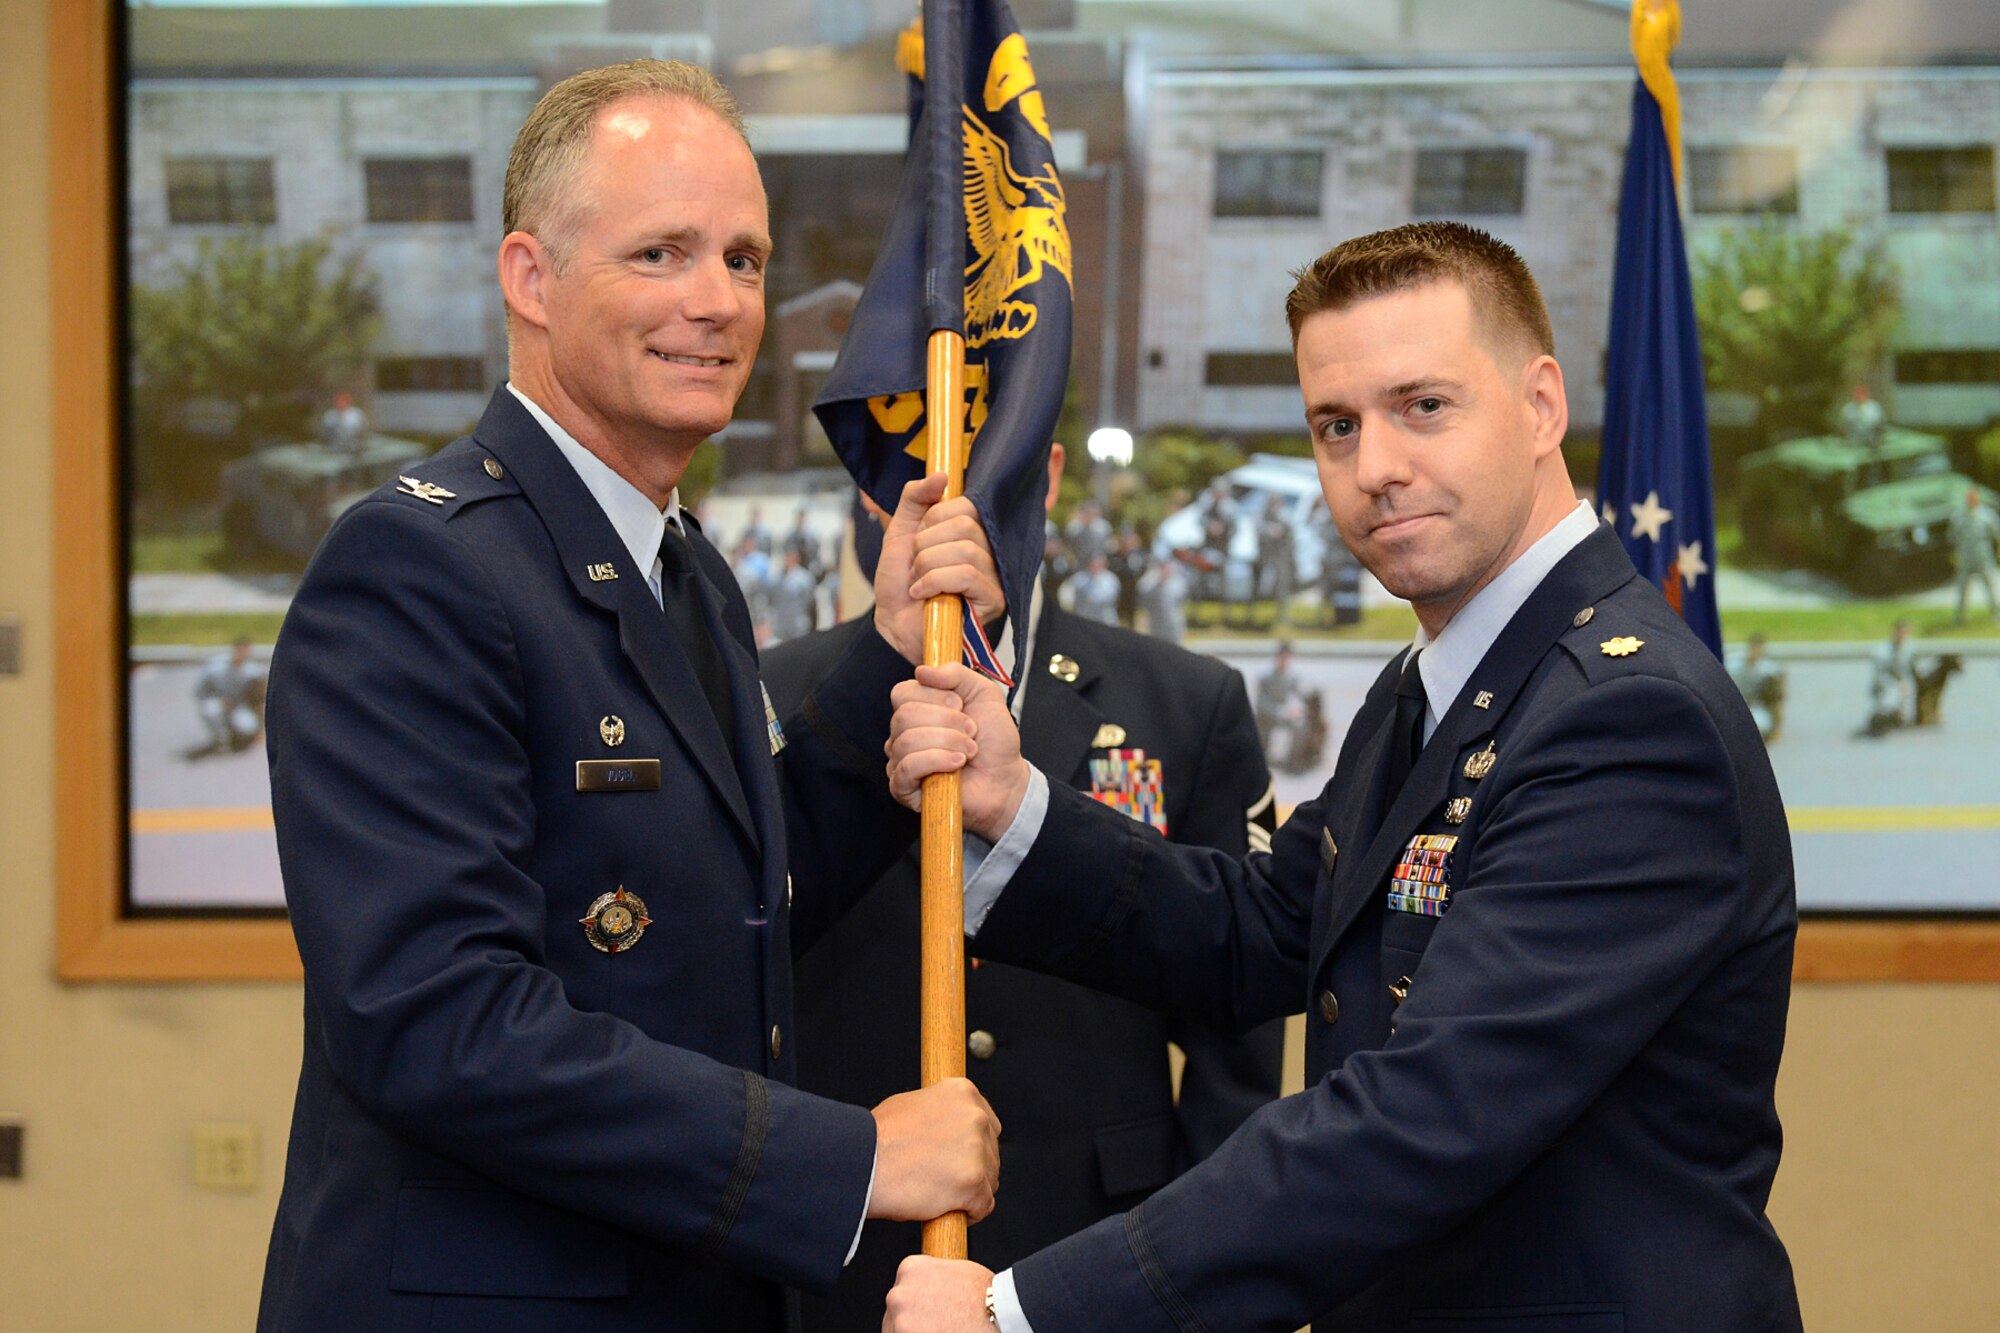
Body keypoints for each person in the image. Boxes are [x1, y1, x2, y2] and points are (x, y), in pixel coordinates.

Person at [880, 222, 1799, 1331]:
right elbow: (1263, 927)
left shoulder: (1625, 717)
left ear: (1542, 405)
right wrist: (1010, 799)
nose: (1376, 469)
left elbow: (1421, 1118)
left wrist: (1017, 1312)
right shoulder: (1439, 682)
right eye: (1337, 425)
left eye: (1425, 405)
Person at [256, 61, 1006, 1333]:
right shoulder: (417, 566)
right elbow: (437, 1020)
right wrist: (849, 1160)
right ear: (530, 277)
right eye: (660, 253)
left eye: (744, 259)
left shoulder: (683, 568)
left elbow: (727, 912)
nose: (718, 302)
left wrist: (889, 654)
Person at [763, 441, 1284, 1333]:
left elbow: (1238, 1053)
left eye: (987, 458)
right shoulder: (775, 692)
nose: (954, 494)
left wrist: (1209, 1281)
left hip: (1101, 1249)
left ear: (1047, 471)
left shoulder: (1186, 701)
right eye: (915, 464)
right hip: (843, 1257)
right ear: (870, 489)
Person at [192, 634, 266, 754]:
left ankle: (237, 737)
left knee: (247, 727)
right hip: (220, 702)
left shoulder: (254, 672)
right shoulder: (215, 667)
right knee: (210, 710)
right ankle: (220, 741)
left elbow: (260, 700)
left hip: (241, 706)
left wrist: (261, 728)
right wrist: (218, 698)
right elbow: (200, 691)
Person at [1948, 484, 1999, 625]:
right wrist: (1954, 555)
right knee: (1962, 587)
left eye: (1974, 497)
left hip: (1983, 552)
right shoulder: (1958, 516)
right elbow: (1952, 537)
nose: (1971, 500)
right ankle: (1960, 616)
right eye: (1969, 497)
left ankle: (1995, 613)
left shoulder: (1987, 514)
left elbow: (1997, 535)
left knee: (1990, 584)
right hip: (1965, 554)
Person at [1727, 630, 1786, 742]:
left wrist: (1777, 727)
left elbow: (1777, 699)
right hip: (1733, 705)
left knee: (1759, 726)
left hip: (1755, 706)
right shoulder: (1732, 664)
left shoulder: (1769, 670)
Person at [1135, 553, 1190, 645]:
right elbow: (1143, 597)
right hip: (1156, 621)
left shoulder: (1178, 581)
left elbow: (1182, 599)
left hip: (1173, 620)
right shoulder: (1150, 580)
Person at [1060, 552, 1122, 626]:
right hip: (1084, 618)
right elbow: (1066, 590)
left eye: (1098, 563)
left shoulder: (1111, 579)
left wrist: (1088, 595)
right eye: (1093, 563)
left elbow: (1109, 598)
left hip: (1104, 619)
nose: (1095, 566)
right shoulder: (1080, 577)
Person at [1838, 382, 1884, 448]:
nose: (1860, 397)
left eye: (1863, 394)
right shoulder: (1848, 408)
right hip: (1854, 441)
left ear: (1867, 395)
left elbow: (1879, 423)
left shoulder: (1874, 407)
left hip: (1871, 441)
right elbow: (1844, 425)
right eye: (1858, 395)